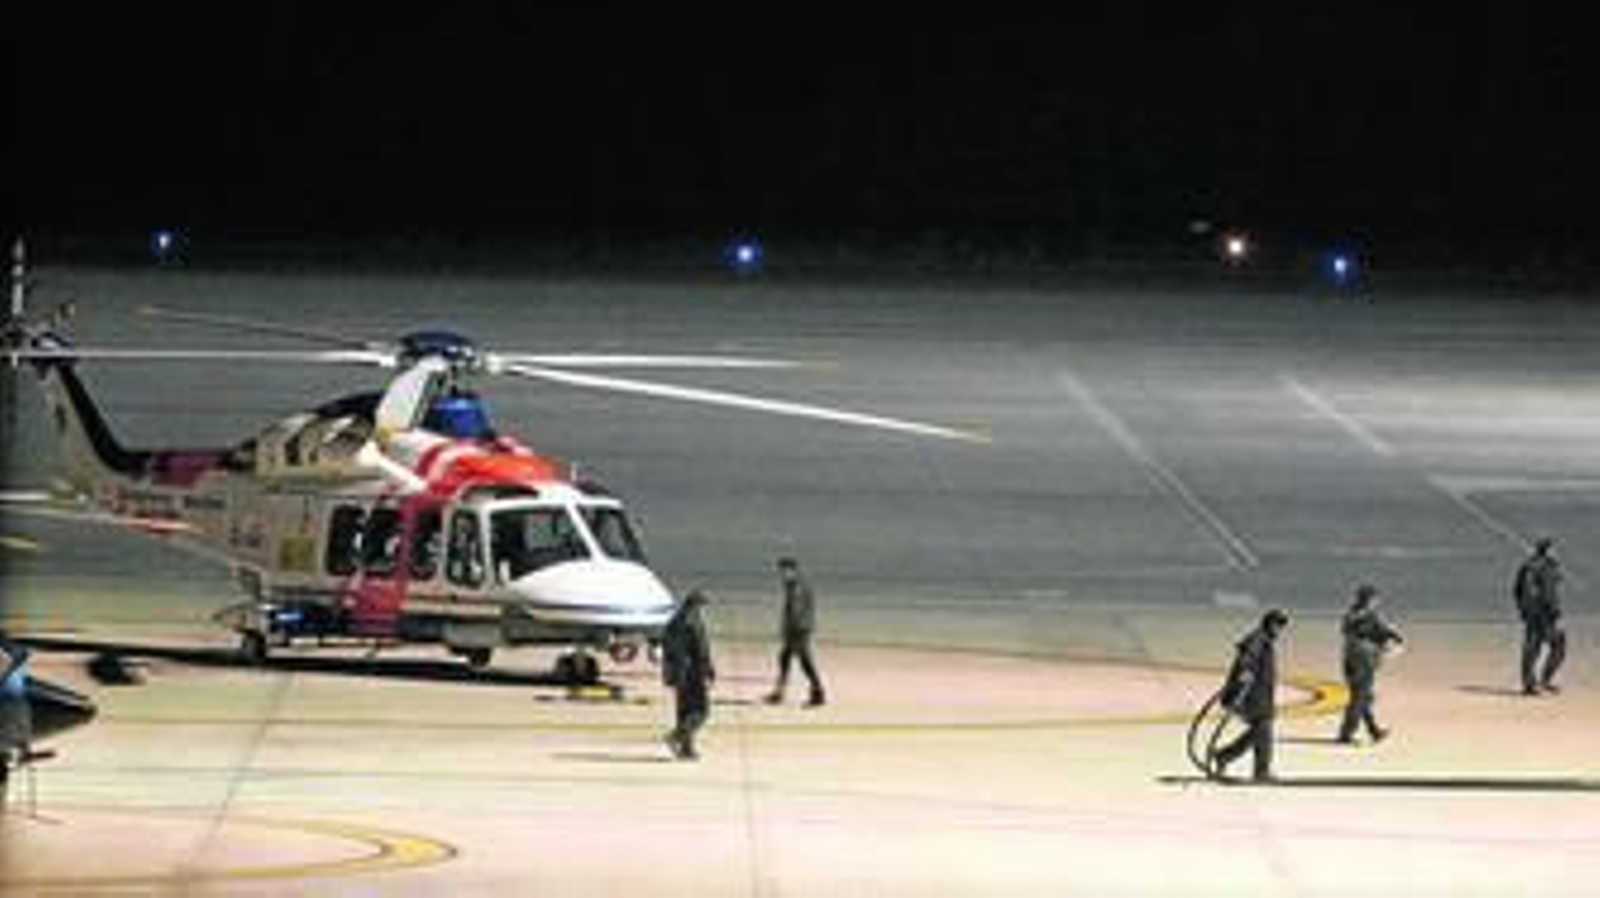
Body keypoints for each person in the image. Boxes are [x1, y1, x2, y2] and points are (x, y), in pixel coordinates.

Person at [1213, 608, 1290, 782]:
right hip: (1250, 696)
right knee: (1263, 731)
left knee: (1259, 732)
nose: (1280, 630)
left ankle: (1225, 756)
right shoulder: (1258, 639)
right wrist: (1243, 682)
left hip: (1258, 696)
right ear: (1270, 623)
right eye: (1278, 625)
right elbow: (1246, 662)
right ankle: (1260, 771)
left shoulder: (1263, 639)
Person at [1337, 584, 1404, 744]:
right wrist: (1395, 637)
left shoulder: (1354, 614)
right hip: (1362, 662)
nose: (1377, 602)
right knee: (1360, 698)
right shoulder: (1366, 615)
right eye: (1374, 599)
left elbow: (1347, 629)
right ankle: (1346, 733)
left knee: (1363, 697)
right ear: (1369, 600)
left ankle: (1373, 730)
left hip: (1354, 660)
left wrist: (1391, 635)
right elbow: (1383, 630)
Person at [764, 557, 826, 708]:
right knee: (784, 658)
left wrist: (791, 630)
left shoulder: (797, 586)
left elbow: (796, 611)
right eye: (781, 572)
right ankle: (780, 692)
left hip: (799, 630)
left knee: (805, 662)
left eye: (785, 571)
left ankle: (818, 692)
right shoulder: (793, 585)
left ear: (793, 570)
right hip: (798, 629)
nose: (783, 575)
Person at [661, 590, 716, 760]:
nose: (703, 611)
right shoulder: (691, 622)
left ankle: (686, 749)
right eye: (701, 606)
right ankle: (677, 736)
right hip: (693, 673)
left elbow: (668, 650)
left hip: (680, 675)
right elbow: (700, 650)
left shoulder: (674, 622)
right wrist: (708, 670)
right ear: (695, 605)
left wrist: (671, 674)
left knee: (684, 712)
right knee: (702, 711)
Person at [1513, 537, 1566, 695]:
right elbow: (1549, 594)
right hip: (1545, 614)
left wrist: (1523, 610)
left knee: (1532, 648)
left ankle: (1530, 683)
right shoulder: (1548, 568)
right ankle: (1544, 680)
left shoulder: (1526, 566)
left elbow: (1516, 590)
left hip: (1531, 613)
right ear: (1548, 551)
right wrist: (1556, 613)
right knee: (1559, 645)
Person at [1, 633, 35, 789]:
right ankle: (15, 654)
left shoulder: (13, 744)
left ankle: (16, 655)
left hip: (15, 701)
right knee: (11, 672)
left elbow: (23, 741)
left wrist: (24, 752)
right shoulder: (10, 744)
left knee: (13, 673)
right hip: (9, 700)